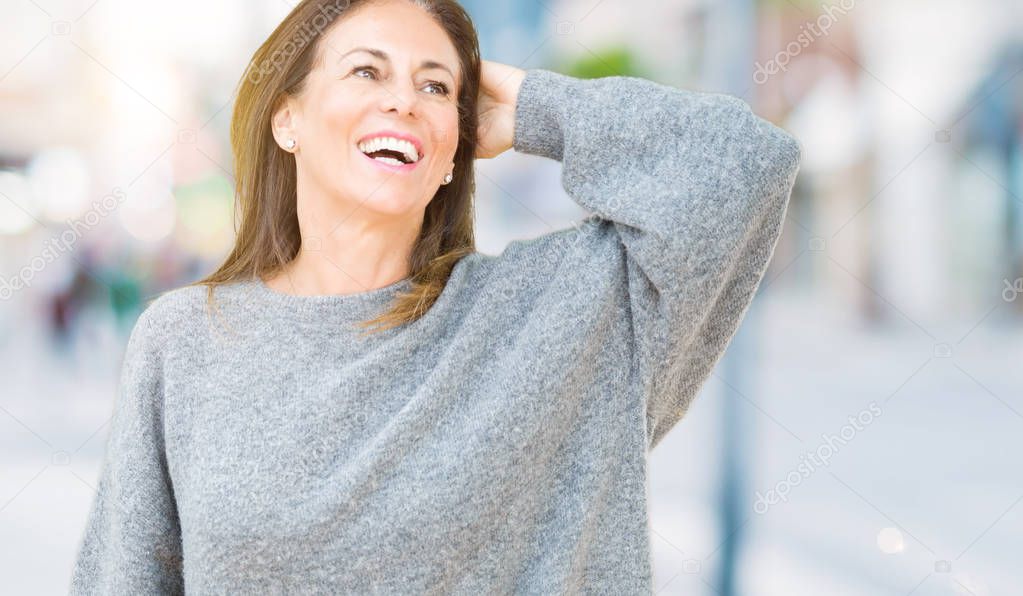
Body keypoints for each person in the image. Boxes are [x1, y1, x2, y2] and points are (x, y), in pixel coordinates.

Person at [69, 0, 802, 593]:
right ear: (285, 118)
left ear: (458, 144)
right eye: (366, 72)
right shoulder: (186, 340)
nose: (403, 101)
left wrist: (533, 107)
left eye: (435, 86)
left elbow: (743, 164)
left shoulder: (561, 311)